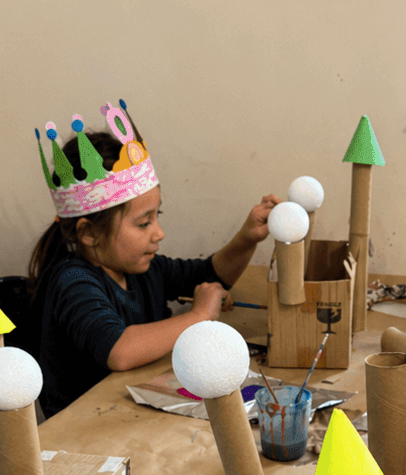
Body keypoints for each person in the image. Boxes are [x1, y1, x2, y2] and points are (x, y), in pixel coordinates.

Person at [28, 104, 277, 417]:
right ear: (90, 233)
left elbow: (209, 275)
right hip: (84, 436)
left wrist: (246, 238)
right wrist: (199, 316)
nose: (158, 233)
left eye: (156, 217)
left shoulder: (140, 267)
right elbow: (118, 350)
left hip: (137, 417)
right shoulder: (73, 282)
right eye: (143, 223)